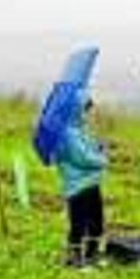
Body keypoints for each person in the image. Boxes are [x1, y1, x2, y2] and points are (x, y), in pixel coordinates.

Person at [55, 93, 106, 269]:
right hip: (78, 187)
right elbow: (82, 158)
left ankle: (92, 254)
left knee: (96, 221)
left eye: (87, 110)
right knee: (78, 224)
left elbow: (87, 149)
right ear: (74, 111)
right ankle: (74, 259)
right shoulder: (67, 134)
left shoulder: (78, 130)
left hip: (91, 183)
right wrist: (102, 159)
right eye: (85, 110)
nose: (87, 114)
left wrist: (97, 147)